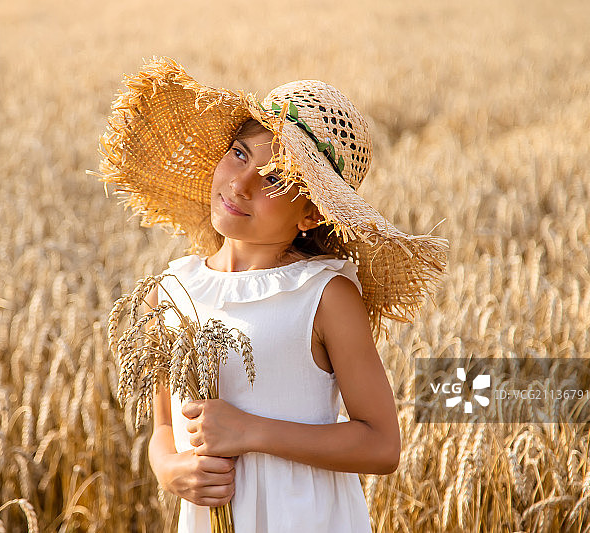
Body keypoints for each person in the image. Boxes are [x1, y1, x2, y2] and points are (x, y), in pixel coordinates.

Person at [96, 57, 448, 532]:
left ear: (311, 215)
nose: (241, 184)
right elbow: (164, 426)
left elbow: (382, 445)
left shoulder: (324, 294)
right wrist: (168, 468)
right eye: (239, 153)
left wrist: (251, 432)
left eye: (276, 178)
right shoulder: (173, 289)